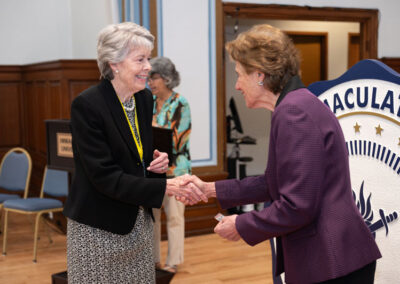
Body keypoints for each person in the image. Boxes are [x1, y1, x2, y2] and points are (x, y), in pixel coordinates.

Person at [182, 24, 381, 284]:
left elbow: (298, 206)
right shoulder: (295, 104)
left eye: (239, 74)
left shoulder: (293, 113)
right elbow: (273, 182)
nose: (238, 85)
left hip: (332, 261)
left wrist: (240, 225)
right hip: (333, 256)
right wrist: (210, 189)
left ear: (260, 75)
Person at [62, 22, 205, 283]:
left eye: (148, 58)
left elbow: (138, 154)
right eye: (140, 59)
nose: (148, 67)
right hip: (97, 229)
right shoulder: (87, 105)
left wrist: (157, 162)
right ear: (114, 63)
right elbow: (104, 176)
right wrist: (166, 187)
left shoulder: (143, 99)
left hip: (138, 225)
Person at [148, 57, 191, 274]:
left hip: (176, 171)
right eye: (149, 78)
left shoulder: (180, 103)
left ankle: (173, 261)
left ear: (166, 78)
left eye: (154, 77)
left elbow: (179, 140)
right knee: (151, 216)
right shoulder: (148, 103)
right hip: (152, 171)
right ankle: (153, 258)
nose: (150, 82)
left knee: (174, 217)